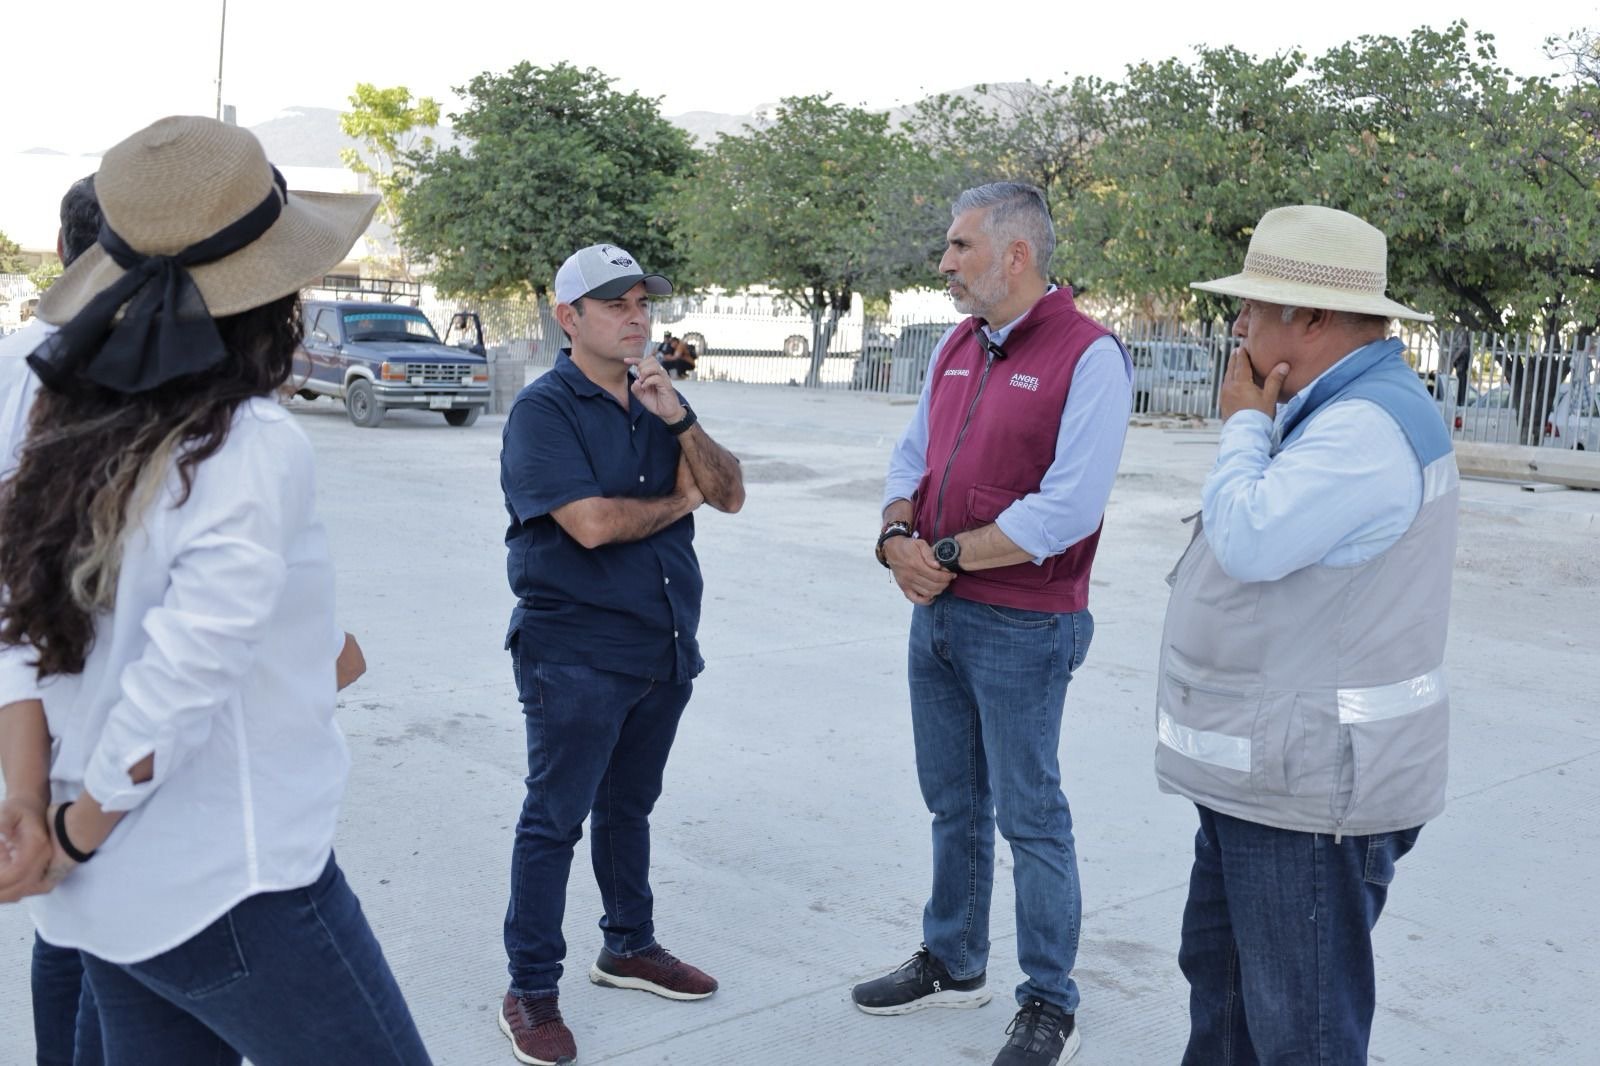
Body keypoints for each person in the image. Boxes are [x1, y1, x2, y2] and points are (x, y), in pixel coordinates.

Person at [0, 115, 429, 1065]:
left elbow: (15, 631)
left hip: (108, 899)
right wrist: (69, 832)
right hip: (233, 884)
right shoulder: (248, 444)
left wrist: (28, 806)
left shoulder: (66, 423)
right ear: (269, 292)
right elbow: (178, 684)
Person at [1155, 205, 1456, 1063]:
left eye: (1254, 307)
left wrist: (1243, 422)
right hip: (1273, 777)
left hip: (1313, 794)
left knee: (1299, 1033)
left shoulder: (1363, 427)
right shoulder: (1336, 408)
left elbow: (1250, 539)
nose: (1239, 324)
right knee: (1225, 997)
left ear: (1315, 318)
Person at [854, 182, 1133, 1066]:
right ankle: (953, 956)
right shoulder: (956, 345)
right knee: (952, 802)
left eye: (960, 247)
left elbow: (1070, 509)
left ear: (1016, 255)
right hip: (936, 614)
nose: (944, 265)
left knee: (1031, 817)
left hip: (1022, 625)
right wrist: (897, 536)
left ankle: (1050, 1001)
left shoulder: (1089, 356)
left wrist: (941, 557)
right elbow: (914, 457)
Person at [497, 242, 745, 1065]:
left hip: (664, 643)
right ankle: (531, 988)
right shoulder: (545, 412)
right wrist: (682, 498)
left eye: (643, 302)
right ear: (568, 318)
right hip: (574, 653)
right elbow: (592, 525)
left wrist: (678, 417)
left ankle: (628, 945)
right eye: (615, 304)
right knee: (553, 821)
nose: (636, 317)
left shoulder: (660, 400)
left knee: (629, 808)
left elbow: (732, 492)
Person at [0, 172, 107, 1066]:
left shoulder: (11, 356)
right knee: (88, 914)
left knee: (62, 918)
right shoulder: (126, 377)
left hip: (27, 678)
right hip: (80, 679)